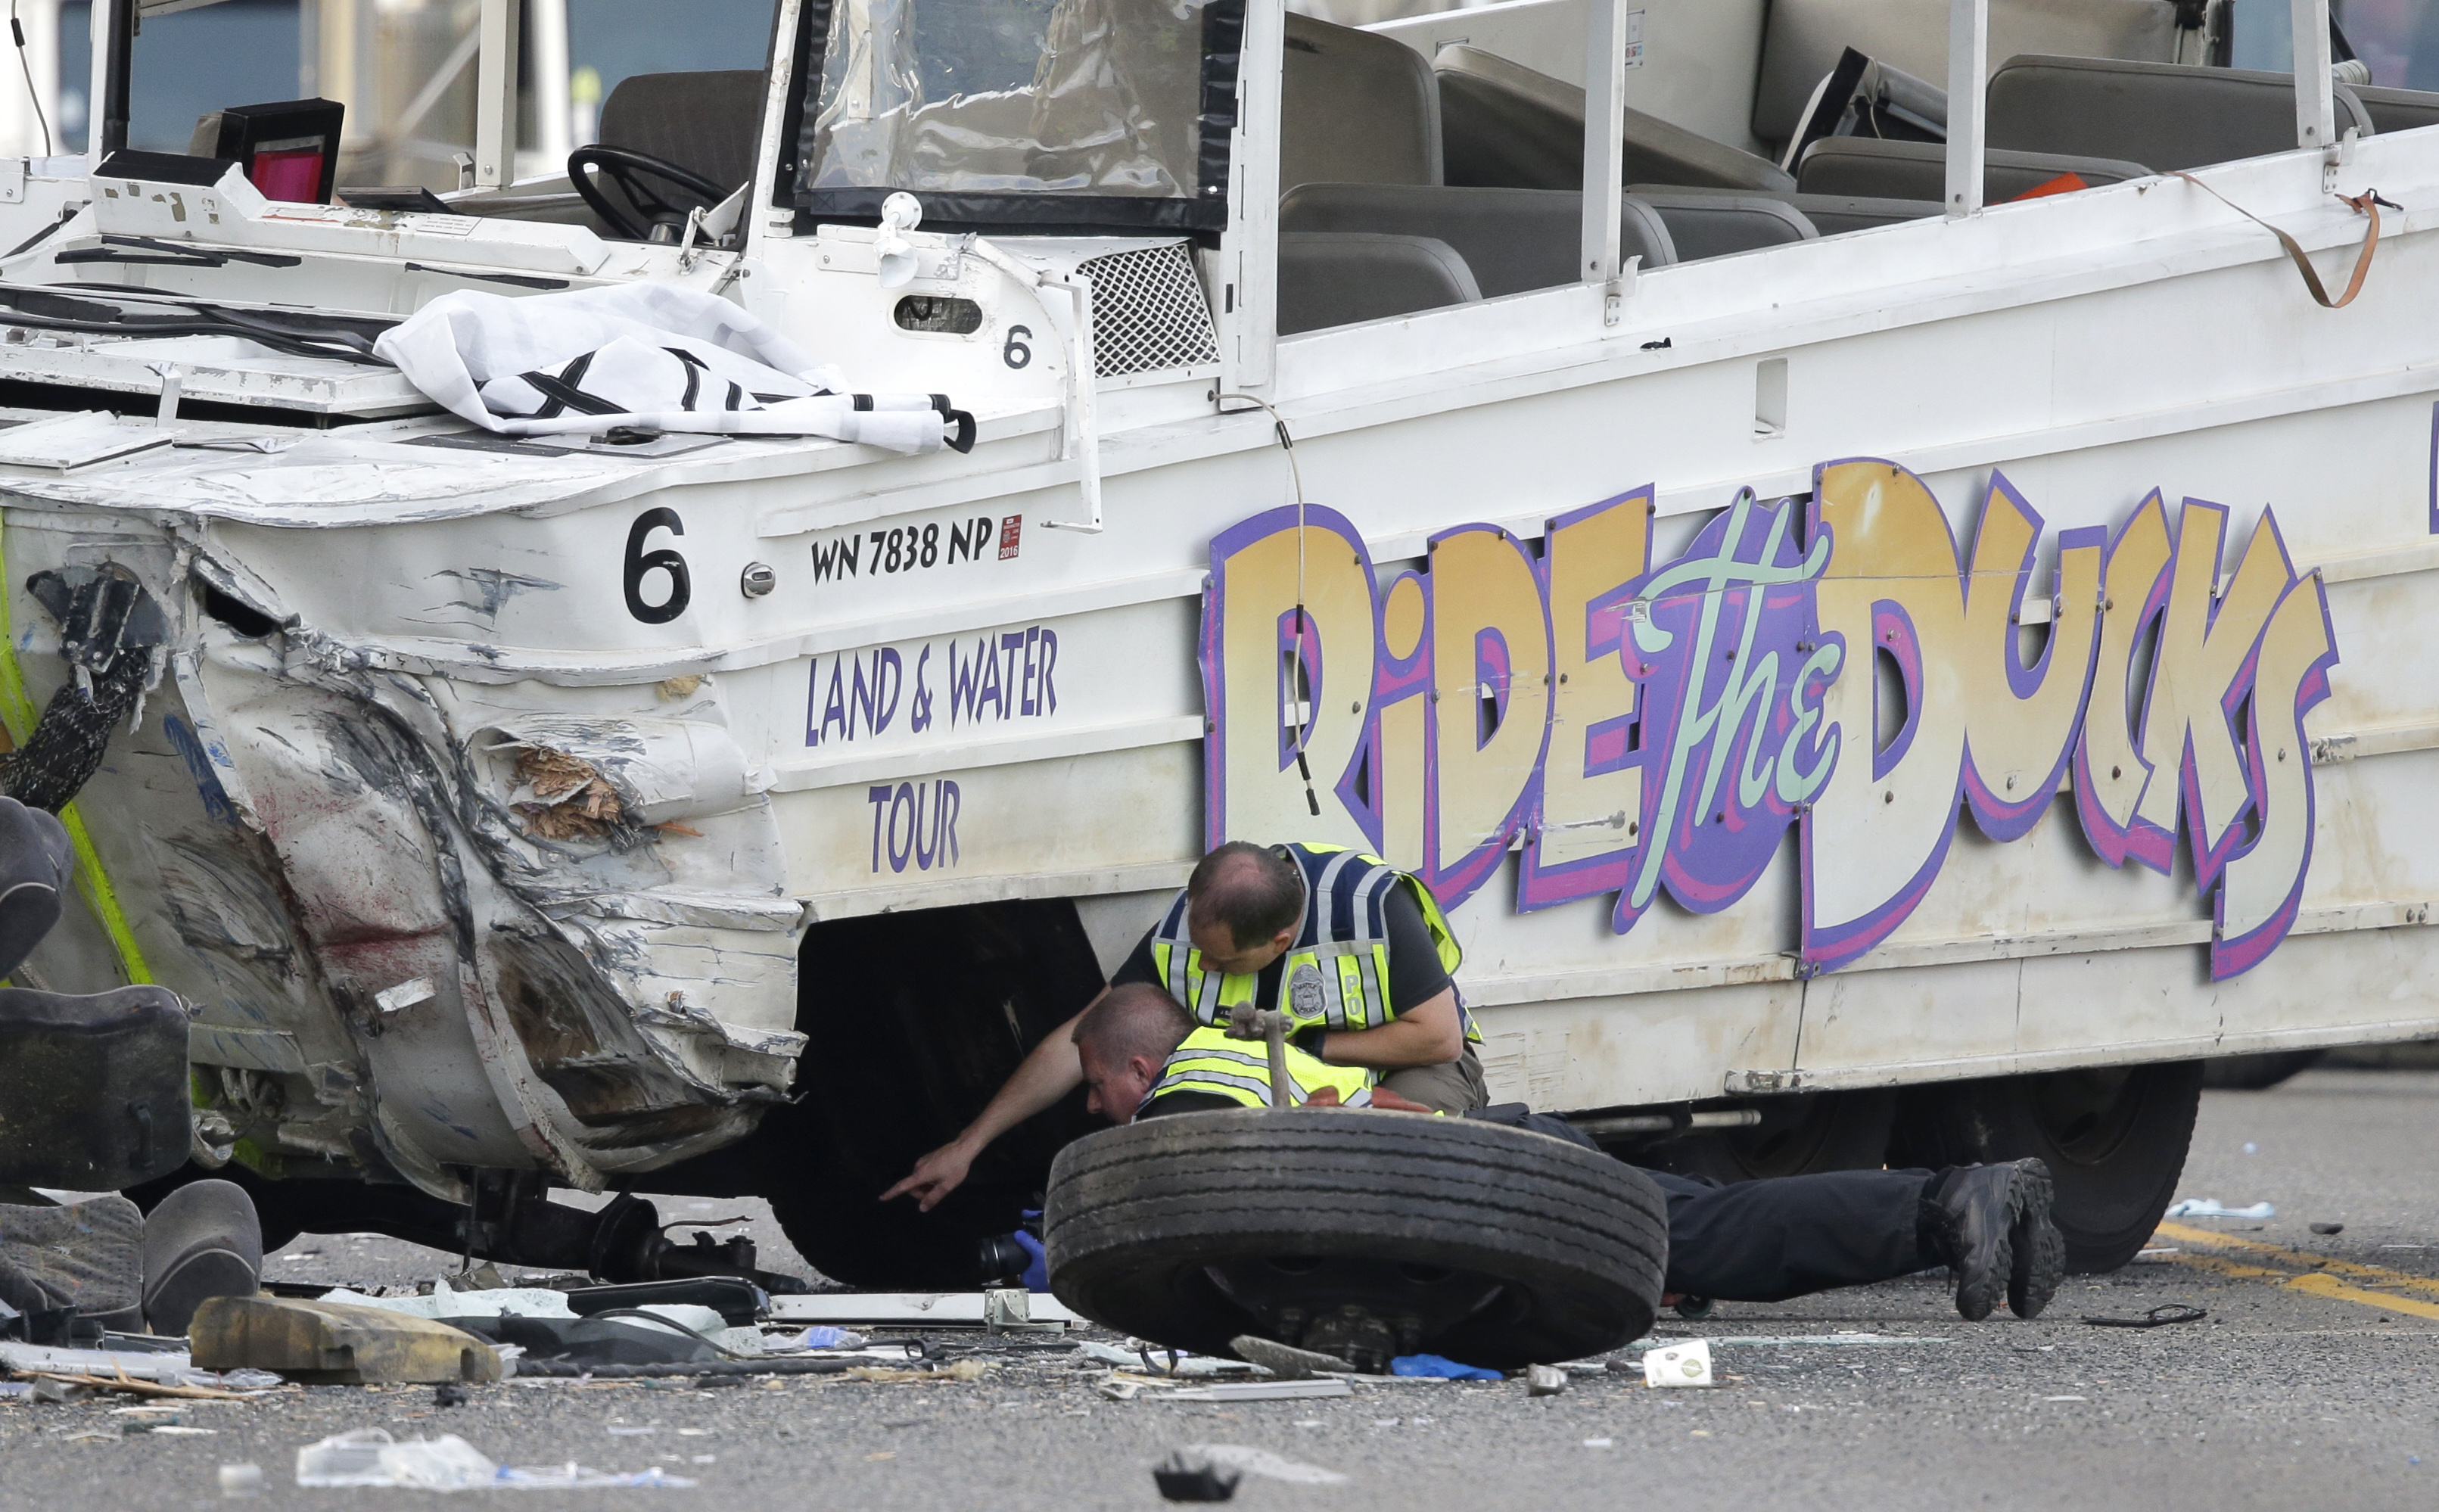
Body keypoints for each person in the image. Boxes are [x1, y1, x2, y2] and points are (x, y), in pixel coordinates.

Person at [1070, 982, 2064, 1324]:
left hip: (1493, 1178)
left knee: (1707, 1243)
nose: (1094, 1109)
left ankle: (1952, 1208)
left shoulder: (1185, 1096)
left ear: (1139, 1062)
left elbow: (1183, 1197)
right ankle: (1967, 1205)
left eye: (1094, 1084)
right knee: (1711, 1230)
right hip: (1501, 1154)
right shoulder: (1251, 1055)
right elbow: (1367, 1116)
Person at [887, 840, 1483, 1212]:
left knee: (1393, 1157)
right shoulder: (1190, 930)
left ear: (1278, 943)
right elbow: (1079, 1041)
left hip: (1407, 1067)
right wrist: (970, 1144)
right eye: (1199, 947)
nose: (1200, 966)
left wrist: (1310, 1044)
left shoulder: (1369, 903)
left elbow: (1438, 1036)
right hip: (1285, 1081)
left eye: (1221, 962)